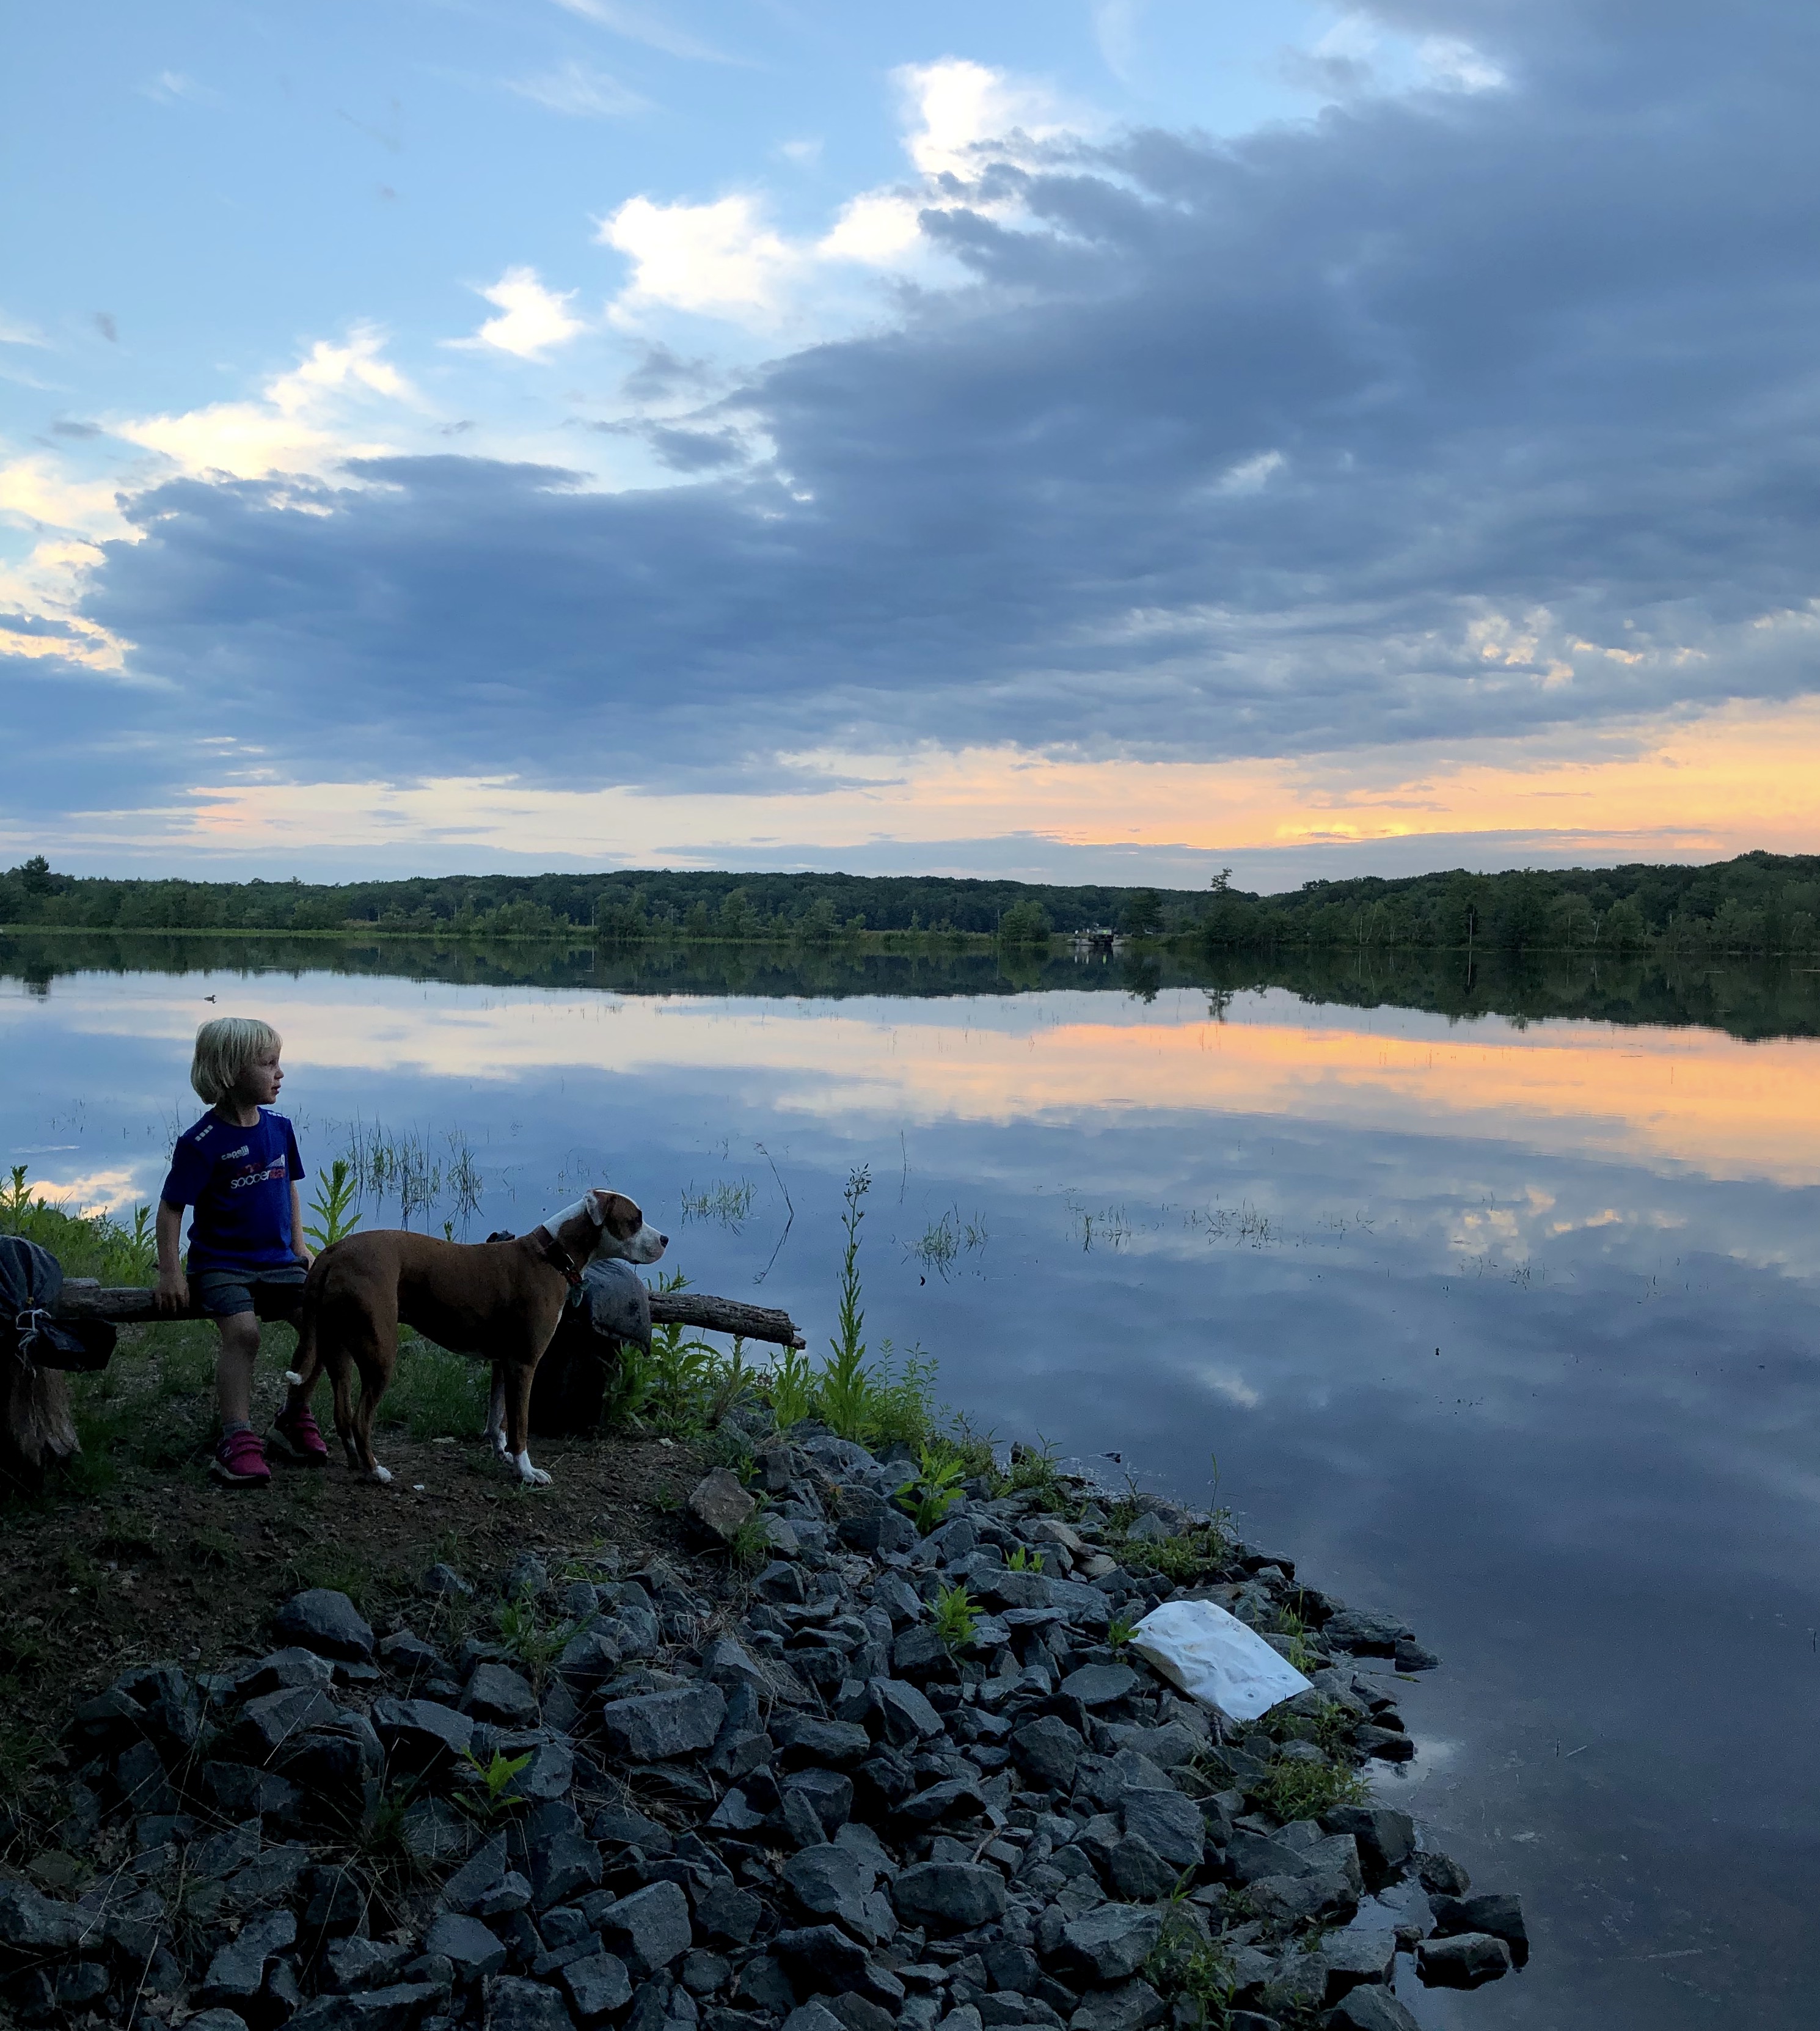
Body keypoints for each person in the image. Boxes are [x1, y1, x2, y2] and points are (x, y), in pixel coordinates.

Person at [155, 1016, 328, 1486]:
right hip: (221, 1265)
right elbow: (171, 1209)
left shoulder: (279, 1128)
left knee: (320, 1327)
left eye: (279, 1063)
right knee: (245, 1335)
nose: (280, 1073)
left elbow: (289, 1188)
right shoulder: (202, 1142)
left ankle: (292, 1418)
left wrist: (299, 1245)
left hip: (277, 1261)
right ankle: (235, 1436)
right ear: (230, 1073)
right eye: (268, 1063)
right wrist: (170, 1273)